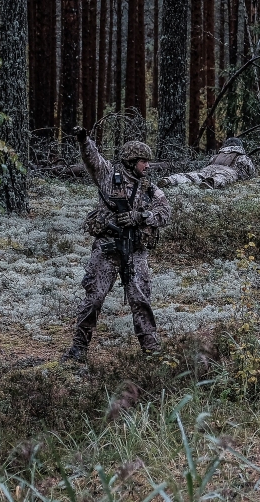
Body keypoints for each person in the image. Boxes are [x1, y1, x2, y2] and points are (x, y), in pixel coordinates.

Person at [63, 127, 171, 361]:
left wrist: (142, 217)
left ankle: (152, 352)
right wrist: (84, 140)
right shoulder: (108, 177)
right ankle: (78, 349)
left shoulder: (149, 188)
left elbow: (165, 211)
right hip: (107, 249)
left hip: (136, 251)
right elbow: (92, 159)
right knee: (94, 298)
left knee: (141, 300)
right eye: (144, 161)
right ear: (131, 161)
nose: (148, 166)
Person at [159, 137, 257, 189]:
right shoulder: (243, 157)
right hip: (228, 171)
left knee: (193, 176)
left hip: (209, 168)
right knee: (221, 177)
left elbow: (209, 164)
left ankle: (170, 180)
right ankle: (209, 183)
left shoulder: (216, 155)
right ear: (240, 146)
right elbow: (251, 172)